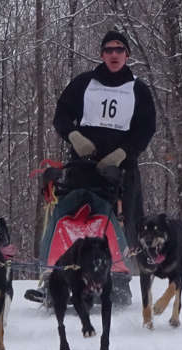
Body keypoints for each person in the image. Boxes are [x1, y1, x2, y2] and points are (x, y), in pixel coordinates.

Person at [53, 30, 156, 248]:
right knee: (71, 227)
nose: (114, 54)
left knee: (126, 234)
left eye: (119, 49)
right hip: (82, 171)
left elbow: (146, 129)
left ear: (127, 55)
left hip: (121, 175)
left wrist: (122, 154)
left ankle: (125, 265)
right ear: (101, 55)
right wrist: (74, 136)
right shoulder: (83, 84)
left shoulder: (139, 90)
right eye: (108, 50)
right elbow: (61, 114)